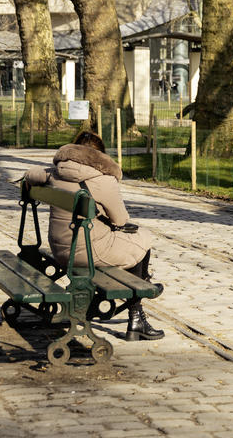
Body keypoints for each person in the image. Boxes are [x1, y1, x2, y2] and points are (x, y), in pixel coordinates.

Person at [24, 131, 164, 341]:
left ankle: (141, 290)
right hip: (88, 252)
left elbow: (30, 174)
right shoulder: (103, 180)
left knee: (132, 243)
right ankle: (138, 304)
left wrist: (28, 183)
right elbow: (120, 221)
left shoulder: (55, 172)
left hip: (60, 250)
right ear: (101, 157)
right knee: (142, 240)